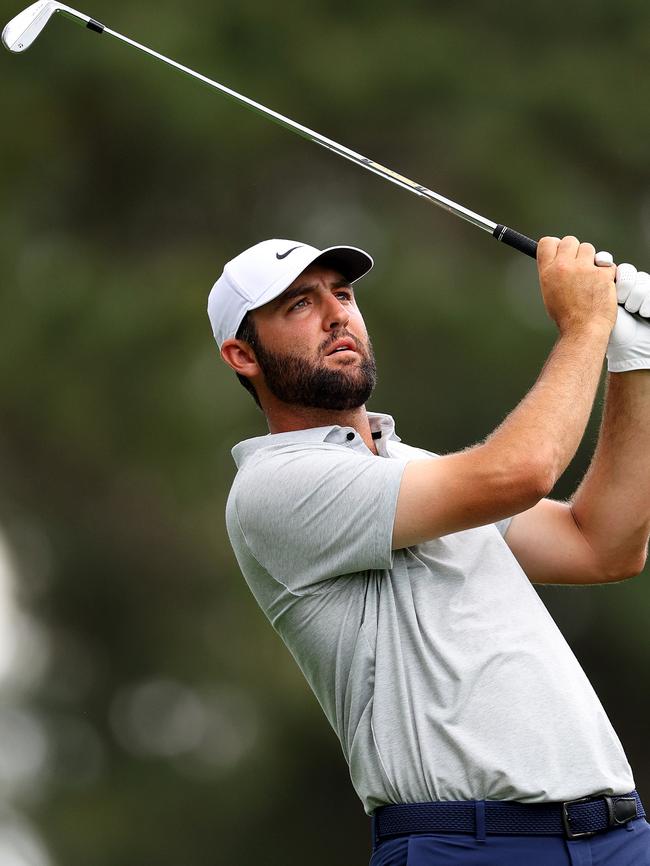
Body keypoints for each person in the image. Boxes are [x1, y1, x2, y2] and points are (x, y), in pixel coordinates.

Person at [208, 236, 650, 865]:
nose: (337, 314)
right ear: (242, 355)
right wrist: (584, 326)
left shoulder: (412, 469)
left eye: (342, 293)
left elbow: (601, 545)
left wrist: (632, 363)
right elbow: (522, 473)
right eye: (299, 305)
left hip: (617, 832)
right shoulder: (274, 487)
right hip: (465, 843)